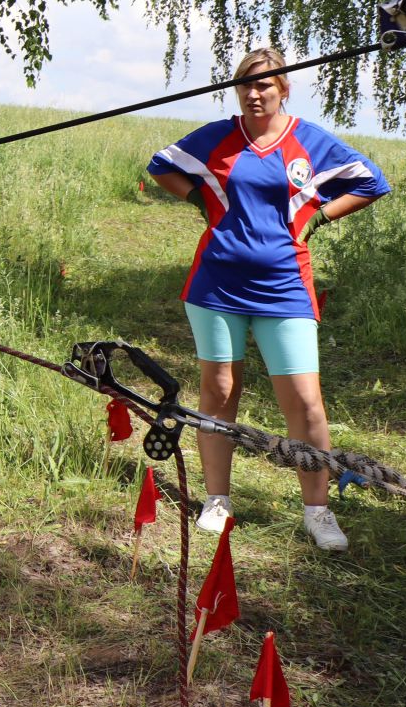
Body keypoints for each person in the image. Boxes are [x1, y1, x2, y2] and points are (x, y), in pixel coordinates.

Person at [146, 48, 389, 552]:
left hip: (285, 286)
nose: (255, 95)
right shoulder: (218, 137)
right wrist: (201, 202)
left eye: (266, 86)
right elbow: (161, 165)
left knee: (304, 401)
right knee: (218, 390)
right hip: (215, 284)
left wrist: (318, 217)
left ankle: (318, 511)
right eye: (246, 86)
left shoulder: (308, 140)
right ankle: (217, 500)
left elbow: (371, 182)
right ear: (237, 90)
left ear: (284, 89)